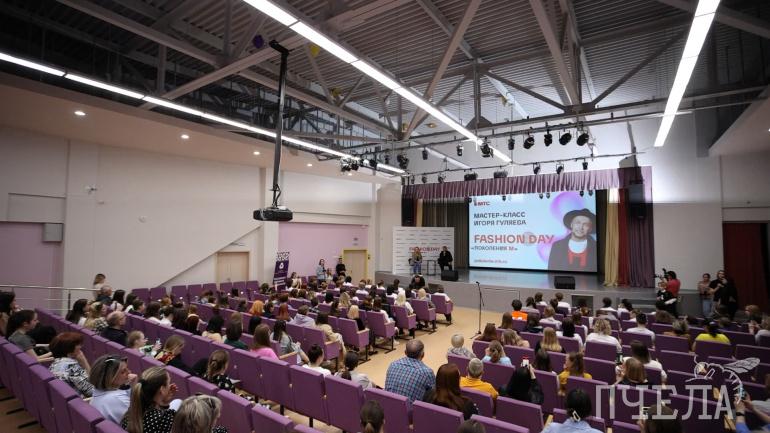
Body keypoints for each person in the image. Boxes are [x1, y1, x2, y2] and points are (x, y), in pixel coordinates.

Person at [121, 366, 180, 433]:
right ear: (162, 389)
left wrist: (164, 403)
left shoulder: (131, 412)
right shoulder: (165, 418)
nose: (169, 386)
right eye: (168, 383)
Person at [89, 354, 136, 423]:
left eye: (127, 369)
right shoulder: (117, 399)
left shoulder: (98, 392)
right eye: (123, 372)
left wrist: (133, 386)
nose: (129, 372)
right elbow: (138, 422)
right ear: (110, 378)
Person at [49, 332, 93, 397]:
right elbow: (91, 392)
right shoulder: (71, 367)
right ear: (69, 349)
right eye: (77, 344)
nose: (80, 347)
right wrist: (84, 361)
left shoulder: (54, 364)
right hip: (80, 402)